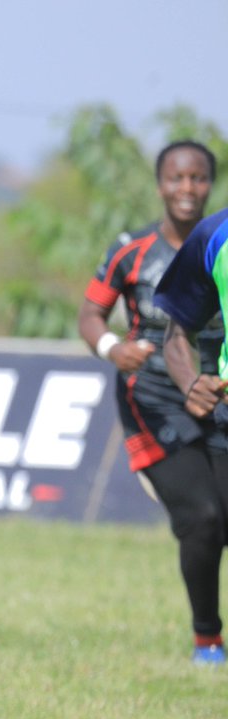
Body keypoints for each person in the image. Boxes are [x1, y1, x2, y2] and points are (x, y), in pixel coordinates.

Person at [79, 141, 223, 665]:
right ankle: (207, 639)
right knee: (203, 517)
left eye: (199, 179)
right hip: (155, 397)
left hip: (218, 393)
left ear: (211, 183)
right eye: (177, 179)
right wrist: (112, 347)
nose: (188, 189)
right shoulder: (131, 249)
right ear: (160, 185)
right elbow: (90, 315)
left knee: (221, 522)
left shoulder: (222, 245)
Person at [151, 194, 228, 665]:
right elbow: (177, 331)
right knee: (205, 523)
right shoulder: (214, 235)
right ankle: (207, 639)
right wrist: (190, 383)